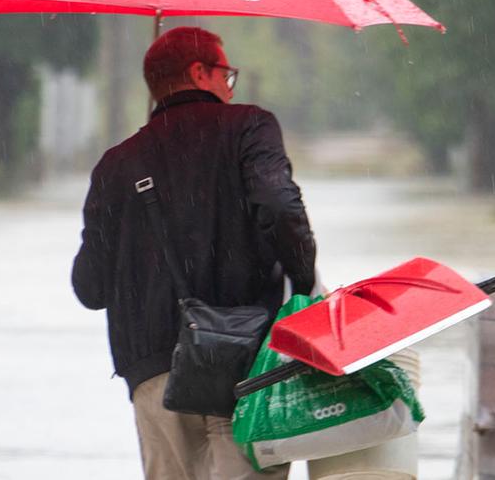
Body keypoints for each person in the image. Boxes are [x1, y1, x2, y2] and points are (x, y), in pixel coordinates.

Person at [72, 26, 318, 480]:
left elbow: (89, 288)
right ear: (199, 71)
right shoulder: (249, 127)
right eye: (227, 73)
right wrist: (304, 285)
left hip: (154, 372)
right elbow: (281, 207)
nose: (230, 85)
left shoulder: (116, 164)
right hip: (248, 363)